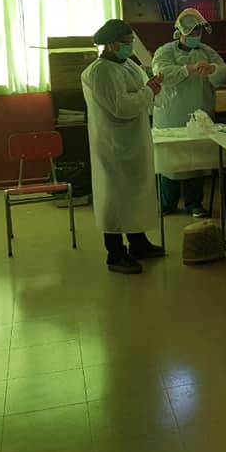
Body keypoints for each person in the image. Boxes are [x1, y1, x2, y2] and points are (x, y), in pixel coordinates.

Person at [81, 19, 166, 274]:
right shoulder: (100, 71)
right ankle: (115, 253)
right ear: (110, 44)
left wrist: (152, 87)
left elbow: (141, 91)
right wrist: (149, 92)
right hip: (113, 144)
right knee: (115, 198)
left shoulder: (127, 63)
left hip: (133, 140)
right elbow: (120, 107)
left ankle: (138, 243)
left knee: (134, 194)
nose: (130, 46)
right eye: (126, 42)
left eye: (131, 41)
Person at [152, 8, 226, 218]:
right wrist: (188, 69)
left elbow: (225, 72)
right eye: (192, 33)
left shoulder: (206, 51)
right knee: (170, 162)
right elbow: (162, 74)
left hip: (199, 114)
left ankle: (194, 203)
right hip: (171, 115)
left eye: (198, 32)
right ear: (180, 33)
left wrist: (213, 70)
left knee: (195, 161)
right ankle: (167, 203)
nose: (196, 36)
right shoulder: (165, 51)